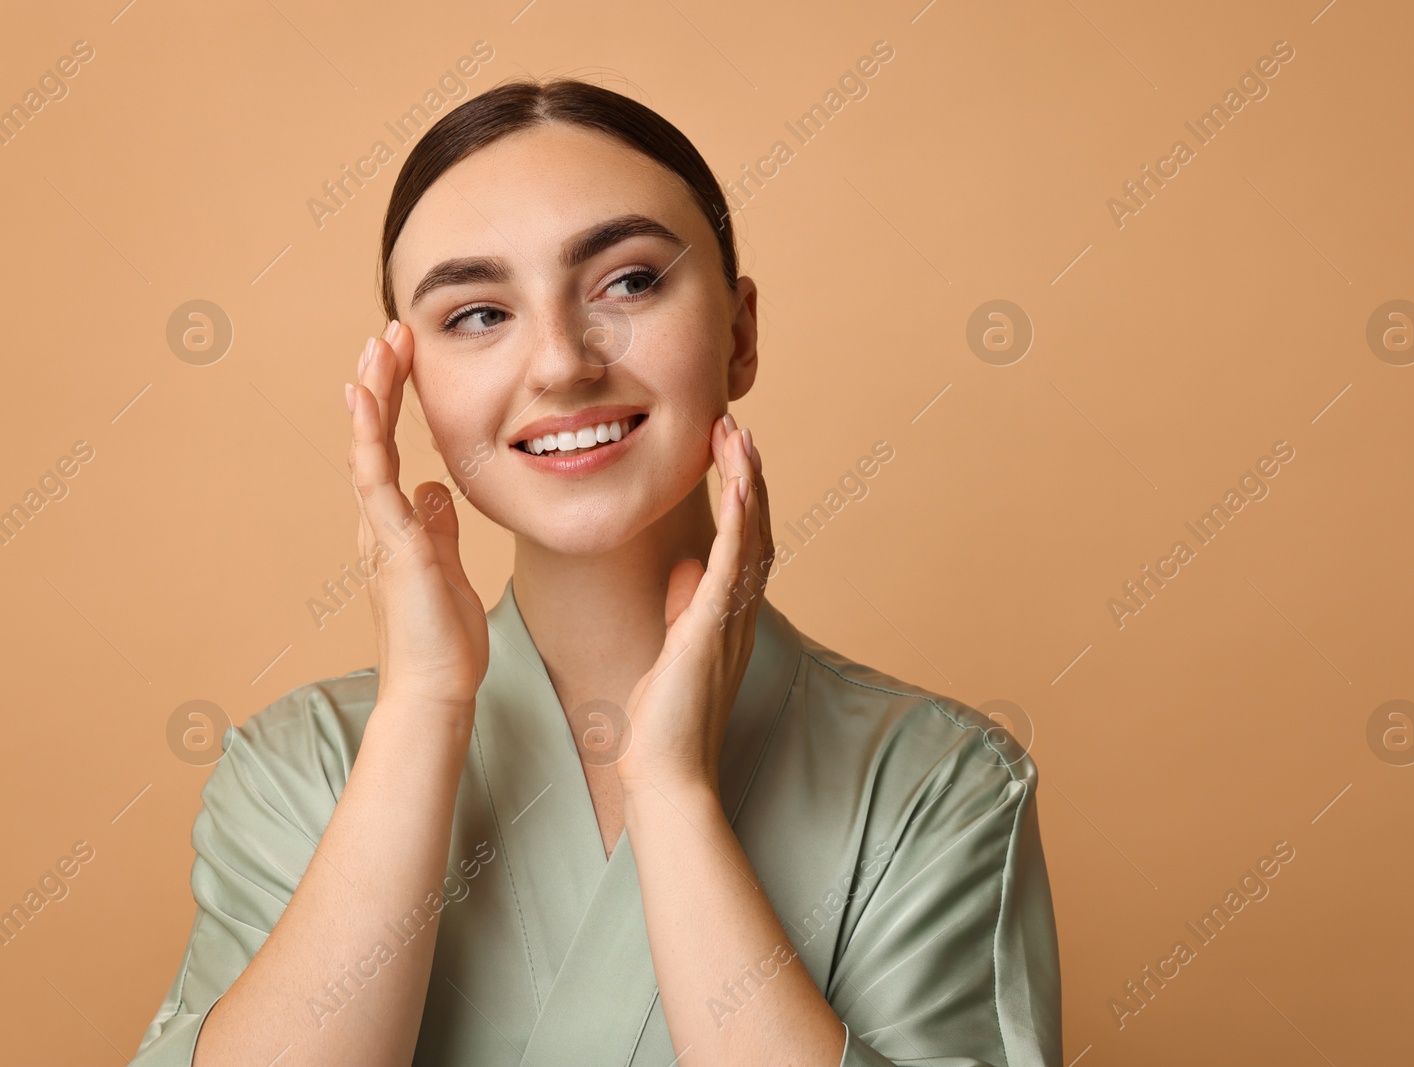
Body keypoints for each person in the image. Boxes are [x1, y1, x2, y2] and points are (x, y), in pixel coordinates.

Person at [129, 77, 1062, 1067]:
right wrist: (425, 708)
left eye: (628, 281)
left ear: (739, 334)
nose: (563, 362)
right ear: (409, 383)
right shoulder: (297, 769)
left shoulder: (938, 780)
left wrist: (671, 791)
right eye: (479, 313)